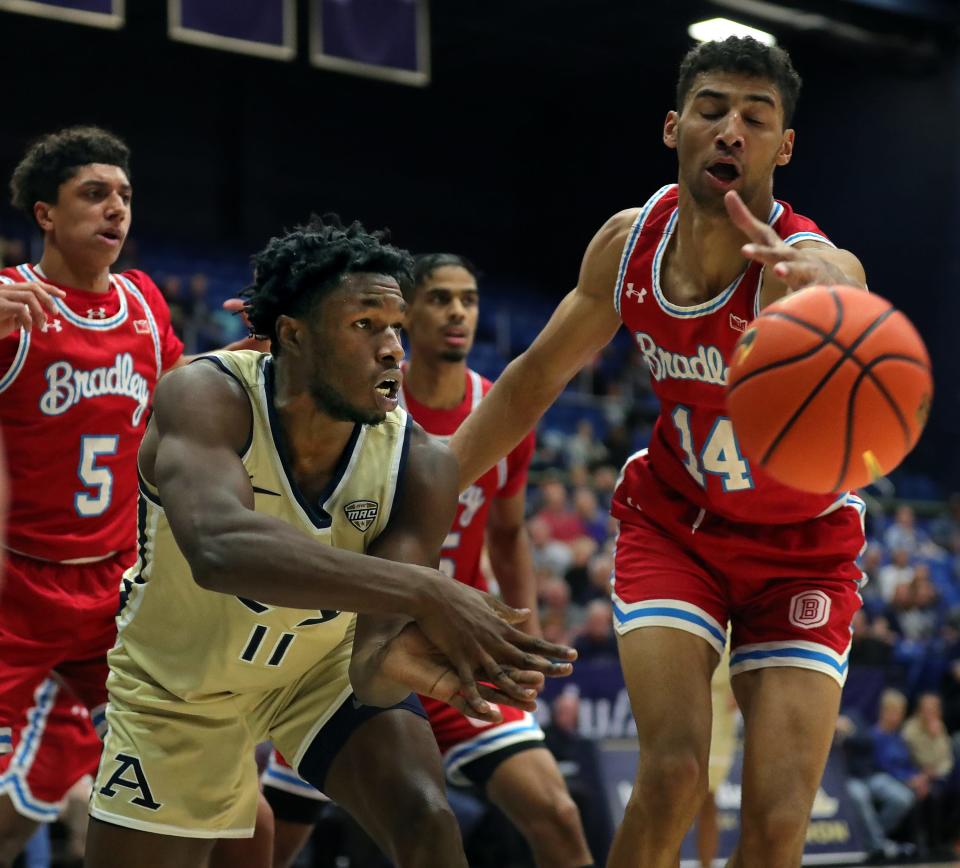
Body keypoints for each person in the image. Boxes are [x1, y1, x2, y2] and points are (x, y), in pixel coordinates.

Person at [450, 36, 871, 867]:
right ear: (673, 125)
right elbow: (532, 381)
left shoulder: (802, 265)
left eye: (757, 119)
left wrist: (819, 286)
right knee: (675, 774)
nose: (731, 131)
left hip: (803, 550)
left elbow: (845, 283)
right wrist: (424, 485)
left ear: (784, 149)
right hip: (676, 525)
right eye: (712, 109)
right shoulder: (627, 244)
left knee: (782, 819)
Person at [83, 218, 576, 868]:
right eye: (365, 325)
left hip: (318, 671)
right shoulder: (208, 395)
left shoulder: (420, 464)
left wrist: (397, 659)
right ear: (294, 335)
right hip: (181, 683)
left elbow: (370, 670)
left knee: (427, 818)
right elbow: (218, 549)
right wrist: (426, 589)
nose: (394, 349)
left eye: (397, 326)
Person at [261, 253, 593, 868]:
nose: (457, 312)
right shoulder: (366, 401)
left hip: (455, 650)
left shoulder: (499, 408)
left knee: (557, 814)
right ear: (407, 315)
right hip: (357, 651)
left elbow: (509, 529)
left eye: (467, 298)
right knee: (272, 844)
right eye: (440, 298)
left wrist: (529, 635)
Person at [0, 127, 186, 867]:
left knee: (170, 785)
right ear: (45, 214)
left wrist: (255, 357)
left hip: (111, 588)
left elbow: (185, 398)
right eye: (95, 194)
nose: (116, 209)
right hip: (16, 587)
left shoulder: (144, 304)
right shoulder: (11, 302)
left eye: (126, 196)